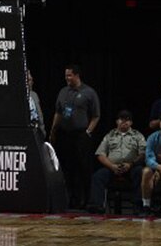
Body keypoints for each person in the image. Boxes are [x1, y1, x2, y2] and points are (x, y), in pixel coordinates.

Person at [49, 64, 101, 210]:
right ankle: (72, 199)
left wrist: (88, 132)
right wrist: (53, 131)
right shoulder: (63, 92)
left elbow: (96, 115)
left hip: (81, 135)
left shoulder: (89, 92)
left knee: (83, 168)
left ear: (77, 76)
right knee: (67, 168)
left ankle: (87, 200)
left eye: (69, 75)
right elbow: (58, 112)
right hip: (65, 135)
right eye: (66, 76)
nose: (67, 78)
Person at [88, 110, 146, 213]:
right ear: (116, 121)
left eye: (127, 120)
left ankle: (138, 205)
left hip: (131, 167)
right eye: (121, 119)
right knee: (98, 176)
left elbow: (143, 153)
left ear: (131, 123)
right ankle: (97, 206)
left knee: (140, 172)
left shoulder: (137, 135)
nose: (124, 122)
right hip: (112, 168)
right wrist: (112, 166)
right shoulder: (110, 135)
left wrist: (130, 164)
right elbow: (100, 154)